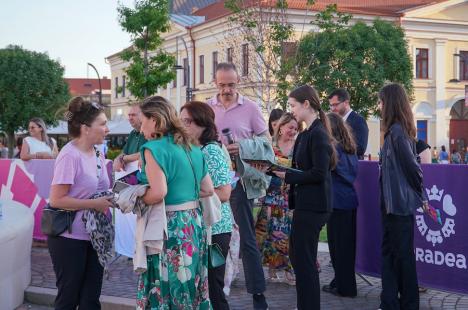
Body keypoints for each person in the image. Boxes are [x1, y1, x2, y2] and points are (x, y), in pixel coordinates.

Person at [136, 96, 214, 309]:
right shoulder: (192, 147)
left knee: (166, 284)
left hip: (169, 225)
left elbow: (159, 192)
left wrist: (135, 198)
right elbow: (207, 189)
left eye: (142, 121)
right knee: (191, 283)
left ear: (154, 120)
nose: (140, 128)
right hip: (193, 224)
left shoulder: (153, 149)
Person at [207, 62, 270, 310]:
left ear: (238, 82)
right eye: (222, 85)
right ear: (215, 84)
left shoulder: (251, 107)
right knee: (214, 236)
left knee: (245, 238)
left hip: (240, 181)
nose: (227, 89)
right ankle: (216, 287)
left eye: (231, 84)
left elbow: (267, 142)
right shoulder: (207, 108)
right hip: (210, 182)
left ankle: (258, 294)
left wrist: (242, 147)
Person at [48, 97, 113, 309]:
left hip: (94, 236)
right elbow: (57, 200)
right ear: (85, 128)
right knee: (69, 298)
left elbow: (99, 189)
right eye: (102, 124)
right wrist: (95, 205)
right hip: (69, 238)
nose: (107, 129)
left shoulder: (96, 152)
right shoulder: (69, 155)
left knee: (90, 300)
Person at [278, 85, 336, 310]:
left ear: (306, 104)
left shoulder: (318, 134)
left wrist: (289, 176)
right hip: (306, 203)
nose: (291, 110)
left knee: (304, 261)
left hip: (315, 206)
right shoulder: (306, 134)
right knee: (300, 259)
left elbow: (320, 173)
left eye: (293, 105)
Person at [181, 101, 233, 310]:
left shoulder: (211, 150)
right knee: (201, 288)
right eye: (181, 120)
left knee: (213, 287)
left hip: (217, 231)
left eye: (189, 121)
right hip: (200, 228)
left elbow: (224, 192)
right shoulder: (192, 149)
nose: (183, 126)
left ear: (203, 124)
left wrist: (187, 197)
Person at [378, 83, 426, 310]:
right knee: (390, 255)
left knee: (403, 257)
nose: (378, 106)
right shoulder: (393, 132)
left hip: (399, 206)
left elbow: (414, 169)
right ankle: (389, 301)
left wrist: (417, 194)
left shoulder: (397, 132)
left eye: (381, 102)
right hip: (391, 205)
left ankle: (408, 303)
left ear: (389, 104)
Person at [255, 112, 298, 285]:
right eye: (290, 128)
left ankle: (289, 271)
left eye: (296, 128)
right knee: (270, 233)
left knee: (289, 236)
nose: (293, 131)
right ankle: (272, 268)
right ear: (280, 128)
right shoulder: (270, 146)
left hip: (290, 197)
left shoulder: (298, 146)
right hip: (272, 195)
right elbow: (261, 167)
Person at [322, 112, 358, 298]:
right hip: (349, 199)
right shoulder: (350, 146)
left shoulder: (334, 148)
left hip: (337, 201)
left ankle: (346, 287)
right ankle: (342, 281)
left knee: (338, 248)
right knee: (346, 247)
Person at [328, 89, 368, 159]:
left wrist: (336, 146)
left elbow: (361, 148)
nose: (332, 109)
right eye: (331, 105)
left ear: (346, 103)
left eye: (335, 105)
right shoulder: (333, 121)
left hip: (350, 166)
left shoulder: (359, 120)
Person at [113, 104, 147, 171]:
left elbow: (146, 153)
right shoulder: (132, 133)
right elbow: (124, 152)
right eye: (129, 115)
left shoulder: (149, 133)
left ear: (143, 116)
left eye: (133, 115)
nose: (130, 118)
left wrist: (123, 158)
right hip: (132, 177)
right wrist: (117, 159)